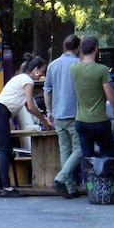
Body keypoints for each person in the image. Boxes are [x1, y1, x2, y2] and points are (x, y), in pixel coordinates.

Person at [0, 55, 51, 197]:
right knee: (5, 150)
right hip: (0, 113)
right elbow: (30, 106)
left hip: (0, 113)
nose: (42, 75)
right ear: (35, 70)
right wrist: (45, 121)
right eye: (42, 71)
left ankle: (6, 186)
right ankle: (6, 188)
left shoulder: (21, 78)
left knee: (7, 150)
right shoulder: (28, 81)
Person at [71, 35, 114, 159]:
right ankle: (108, 178)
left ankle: (89, 178)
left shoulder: (74, 68)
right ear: (96, 48)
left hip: (81, 121)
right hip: (99, 121)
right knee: (108, 155)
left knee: (87, 157)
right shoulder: (102, 70)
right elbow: (110, 95)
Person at [43, 34, 82, 199]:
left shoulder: (53, 65)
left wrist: (49, 110)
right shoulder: (78, 64)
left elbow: (47, 89)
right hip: (74, 113)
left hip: (58, 114)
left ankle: (71, 188)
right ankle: (60, 179)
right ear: (78, 48)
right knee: (80, 149)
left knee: (65, 150)